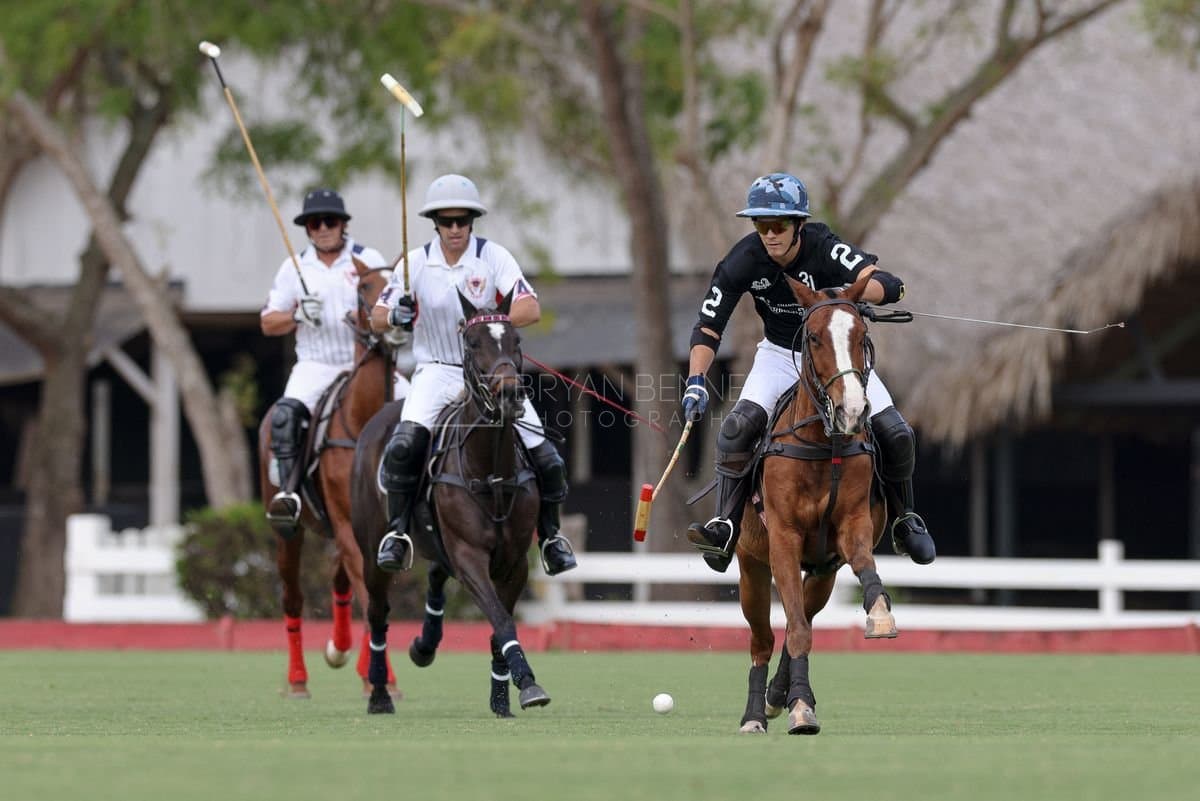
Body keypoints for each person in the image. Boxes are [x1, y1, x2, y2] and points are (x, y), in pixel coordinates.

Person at [682, 172, 936, 572]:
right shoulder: (743, 259)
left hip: (836, 357)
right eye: (761, 225)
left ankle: (906, 519)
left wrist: (851, 294)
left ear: (799, 224)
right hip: (782, 355)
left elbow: (889, 285)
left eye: (778, 225)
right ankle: (726, 527)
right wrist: (696, 380)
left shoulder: (824, 247)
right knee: (735, 428)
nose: (770, 234)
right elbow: (709, 325)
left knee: (896, 432)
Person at [369, 173, 577, 576]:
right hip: (435, 371)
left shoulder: (492, 256)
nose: (454, 229)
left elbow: (529, 308)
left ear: (472, 222)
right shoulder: (414, 263)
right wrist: (397, 313)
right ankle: (397, 532)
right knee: (404, 446)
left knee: (545, 455)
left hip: (488, 375)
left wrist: (483, 323)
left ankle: (551, 537)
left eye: (461, 221)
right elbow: (377, 317)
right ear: (434, 223)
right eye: (446, 222)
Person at [260, 188, 393, 535]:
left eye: (329, 221)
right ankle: (288, 493)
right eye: (313, 223)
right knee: (286, 414)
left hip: (365, 364)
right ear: (307, 229)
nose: (322, 228)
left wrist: (368, 314)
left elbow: (390, 309)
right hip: (316, 364)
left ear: (343, 224)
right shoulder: (294, 267)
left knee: (412, 411)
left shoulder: (368, 257)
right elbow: (268, 322)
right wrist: (297, 314)